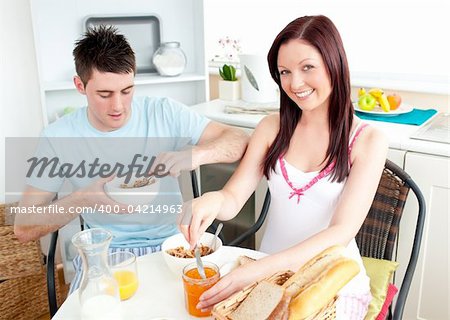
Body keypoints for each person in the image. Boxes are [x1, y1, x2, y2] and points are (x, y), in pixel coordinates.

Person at [179, 15, 388, 319]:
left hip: (329, 283)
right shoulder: (271, 128)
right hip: (269, 278)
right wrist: (212, 200)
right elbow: (233, 197)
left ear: (334, 64)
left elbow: (341, 232)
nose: (295, 83)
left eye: (307, 68)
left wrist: (259, 269)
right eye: (285, 72)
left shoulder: (368, 140)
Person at [14, 25, 248, 292]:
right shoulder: (58, 136)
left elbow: (238, 139)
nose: (118, 106)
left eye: (127, 90)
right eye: (104, 94)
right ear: (80, 86)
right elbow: (24, 227)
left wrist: (195, 155)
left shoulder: (164, 112)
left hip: (172, 246)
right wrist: (83, 199)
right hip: (106, 253)